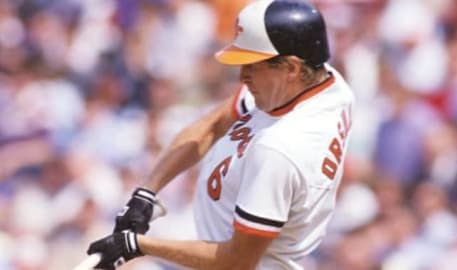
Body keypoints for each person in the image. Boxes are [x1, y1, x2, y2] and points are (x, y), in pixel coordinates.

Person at [86, 0, 355, 269]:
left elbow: (237, 261)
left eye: (253, 65)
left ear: (292, 68)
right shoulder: (320, 82)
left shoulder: (279, 150)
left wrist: (138, 245)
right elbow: (213, 124)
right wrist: (148, 191)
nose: (243, 77)